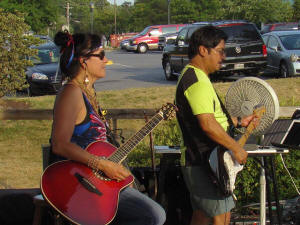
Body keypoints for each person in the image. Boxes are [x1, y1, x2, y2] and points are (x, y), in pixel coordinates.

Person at [51, 31, 166, 225]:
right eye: (101, 55)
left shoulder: (88, 93)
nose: (106, 60)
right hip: (80, 185)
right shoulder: (71, 92)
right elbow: (59, 144)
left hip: (99, 180)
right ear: (84, 61)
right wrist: (102, 165)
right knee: (153, 215)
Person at [175, 26, 258, 225]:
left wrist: (238, 121)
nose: (224, 56)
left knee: (203, 216)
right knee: (219, 219)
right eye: (220, 51)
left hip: (206, 161)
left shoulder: (197, 77)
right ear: (203, 50)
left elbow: (211, 118)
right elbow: (208, 124)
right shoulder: (195, 80)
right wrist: (236, 147)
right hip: (205, 162)